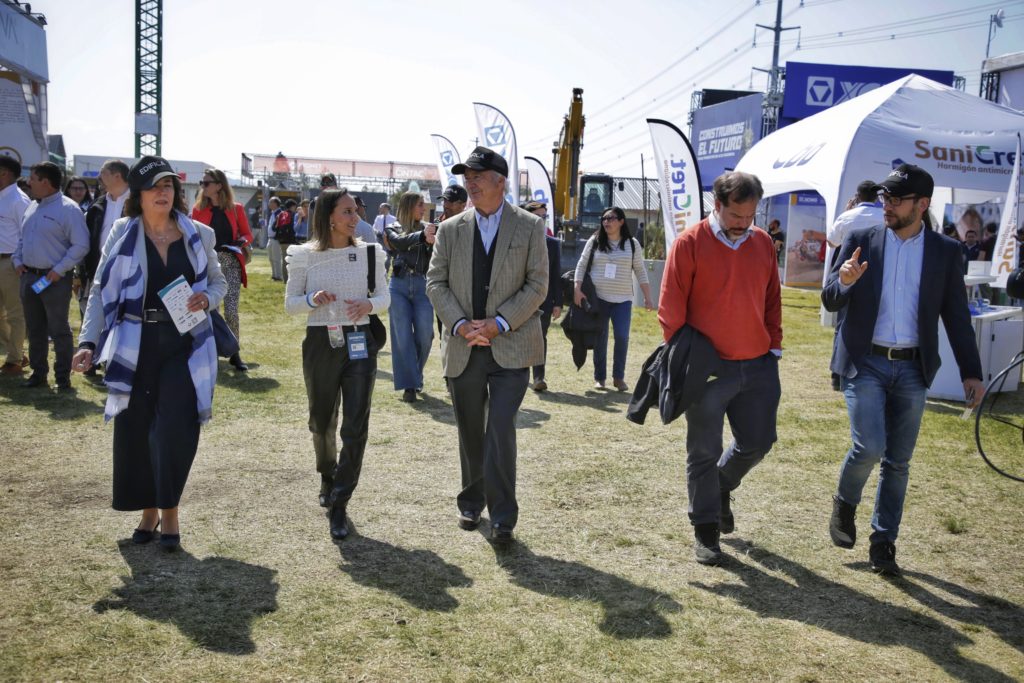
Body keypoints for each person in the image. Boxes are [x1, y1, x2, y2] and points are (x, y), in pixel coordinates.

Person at [823, 165, 984, 576]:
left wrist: (972, 372)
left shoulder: (946, 252)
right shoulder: (861, 239)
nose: (887, 206)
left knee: (898, 461)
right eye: (885, 198)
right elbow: (830, 298)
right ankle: (845, 503)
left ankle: (883, 542)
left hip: (913, 368)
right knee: (869, 447)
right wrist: (845, 281)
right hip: (866, 362)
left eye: (896, 200)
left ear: (922, 204)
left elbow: (956, 317)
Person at [72, 156, 226, 552]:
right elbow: (100, 291)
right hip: (134, 343)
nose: (163, 192)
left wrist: (207, 299)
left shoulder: (199, 234)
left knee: (174, 428)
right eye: (154, 186)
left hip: (185, 344)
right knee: (138, 429)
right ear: (138, 195)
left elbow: (218, 282)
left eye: (168, 185)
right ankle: (148, 510)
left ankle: (169, 511)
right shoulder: (122, 232)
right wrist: (88, 343)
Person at [659, 171, 782, 566]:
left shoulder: (762, 243)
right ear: (717, 205)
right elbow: (671, 310)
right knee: (703, 452)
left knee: (759, 442)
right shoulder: (689, 243)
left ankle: (720, 486)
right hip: (708, 372)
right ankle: (706, 530)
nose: (743, 223)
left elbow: (772, 298)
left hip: (758, 365)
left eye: (750, 216)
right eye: (735, 215)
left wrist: (774, 346)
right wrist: (690, 362)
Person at [426, 146, 548, 545]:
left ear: (501, 181)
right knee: (469, 430)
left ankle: (503, 517)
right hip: (463, 346)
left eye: (478, 176)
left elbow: (538, 285)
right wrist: (461, 325)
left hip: (512, 345)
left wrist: (499, 323)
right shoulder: (450, 229)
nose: (470, 183)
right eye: (467, 178)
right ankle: (471, 500)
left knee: (499, 430)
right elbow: (435, 283)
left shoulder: (529, 227)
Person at [285, 188, 389, 539]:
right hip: (320, 343)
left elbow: (384, 297)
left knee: (356, 425)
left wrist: (369, 305)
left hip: (360, 342)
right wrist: (311, 299)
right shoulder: (303, 255)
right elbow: (290, 304)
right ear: (328, 216)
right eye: (347, 211)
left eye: (355, 211)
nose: (355, 217)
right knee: (321, 421)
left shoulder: (371, 253)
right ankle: (327, 475)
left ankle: (341, 500)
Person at [13, 162, 89, 390]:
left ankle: (62, 377)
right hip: (29, 276)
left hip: (54, 279)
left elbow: (81, 245)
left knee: (58, 330)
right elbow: (22, 239)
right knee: (34, 328)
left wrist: (59, 270)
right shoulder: (31, 206)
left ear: (45, 182)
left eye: (33, 178)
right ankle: (38, 373)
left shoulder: (69, 209)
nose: (29, 182)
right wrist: (17, 259)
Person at [574, 206, 653, 392]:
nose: (606, 222)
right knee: (600, 338)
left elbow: (640, 271)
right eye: (604, 218)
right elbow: (581, 264)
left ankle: (619, 377)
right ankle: (600, 378)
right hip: (598, 299)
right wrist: (577, 289)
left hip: (623, 300)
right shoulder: (595, 240)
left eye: (611, 218)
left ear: (621, 221)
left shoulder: (632, 244)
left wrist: (648, 297)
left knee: (622, 337)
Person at [191, 168, 254, 371]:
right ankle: (212, 350)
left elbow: (248, 234)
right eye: (202, 183)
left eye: (206, 183)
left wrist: (240, 242)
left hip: (230, 261)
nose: (203, 186)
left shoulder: (236, 209)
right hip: (208, 264)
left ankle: (234, 352)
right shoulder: (198, 210)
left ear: (219, 185)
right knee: (211, 308)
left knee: (232, 309)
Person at [385, 191, 436, 402]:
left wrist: (431, 241)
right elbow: (399, 243)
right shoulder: (392, 228)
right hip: (398, 286)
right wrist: (423, 237)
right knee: (402, 336)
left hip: (423, 285)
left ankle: (414, 375)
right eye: (420, 204)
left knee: (425, 335)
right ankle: (410, 385)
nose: (423, 208)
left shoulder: (429, 229)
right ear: (408, 206)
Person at [80, 160, 130, 347]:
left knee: (121, 321)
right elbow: (88, 239)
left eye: (103, 173)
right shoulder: (97, 205)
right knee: (94, 314)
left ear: (117, 176)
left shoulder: (139, 203)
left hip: (127, 273)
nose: (99, 178)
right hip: (97, 270)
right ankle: (92, 352)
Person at [522, 200, 561, 392]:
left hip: (543, 299)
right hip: (519, 299)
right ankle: (519, 375)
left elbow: (555, 275)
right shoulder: (516, 241)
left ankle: (539, 377)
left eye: (544, 217)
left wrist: (558, 303)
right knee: (519, 336)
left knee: (540, 337)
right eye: (537, 216)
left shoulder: (552, 245)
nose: (541, 220)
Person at [0, 156, 30, 375]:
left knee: (14, 313)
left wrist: (20, 263)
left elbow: (27, 235)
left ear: (4, 173)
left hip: (10, 262)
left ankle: (14, 360)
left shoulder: (19, 200)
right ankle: (16, 351)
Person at [827, 181, 882, 254]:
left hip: (850, 259)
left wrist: (847, 213)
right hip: (877, 259)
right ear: (877, 197)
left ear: (857, 196)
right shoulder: (884, 216)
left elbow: (832, 243)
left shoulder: (844, 217)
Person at [266, 196, 283, 281]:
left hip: (276, 239)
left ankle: (278, 276)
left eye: (270, 202)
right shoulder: (272, 213)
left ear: (275, 204)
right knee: (271, 258)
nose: (269, 204)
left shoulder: (280, 213)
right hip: (270, 238)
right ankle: (274, 275)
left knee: (276, 259)